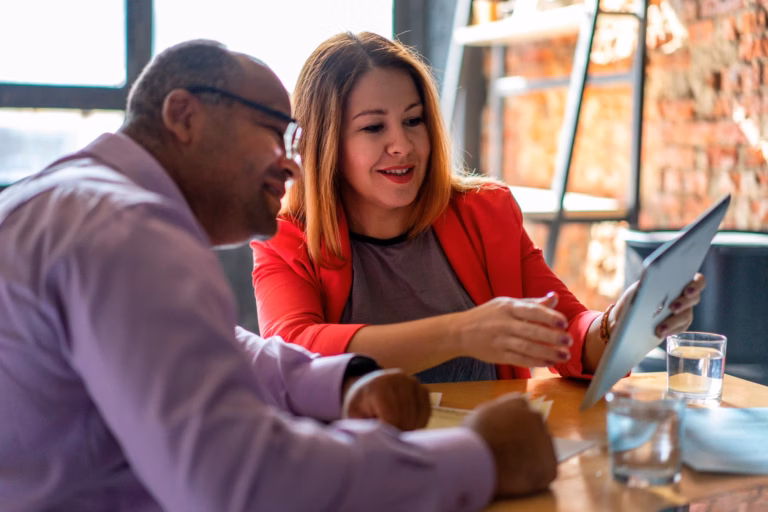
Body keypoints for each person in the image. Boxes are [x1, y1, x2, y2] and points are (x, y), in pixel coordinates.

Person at [0, 39, 559, 512]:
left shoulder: (70, 203)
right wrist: (478, 458)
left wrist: (340, 384)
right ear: (184, 116)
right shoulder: (128, 229)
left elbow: (222, 348)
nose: (291, 162)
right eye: (274, 131)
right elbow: (238, 479)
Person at [251, 31, 705, 383]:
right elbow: (293, 351)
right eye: (373, 128)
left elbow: (568, 334)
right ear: (326, 143)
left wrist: (619, 327)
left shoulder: (486, 213)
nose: (402, 145)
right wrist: (462, 332)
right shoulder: (284, 239)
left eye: (414, 121)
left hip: (492, 457)